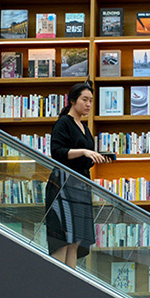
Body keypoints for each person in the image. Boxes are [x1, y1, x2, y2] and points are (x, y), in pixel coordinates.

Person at [45, 81, 110, 268]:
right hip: (63, 186)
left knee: (75, 240)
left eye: (91, 100)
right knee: (62, 238)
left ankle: (69, 285)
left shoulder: (84, 127)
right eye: (85, 99)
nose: (88, 104)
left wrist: (95, 157)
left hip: (80, 185)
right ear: (73, 100)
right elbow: (57, 152)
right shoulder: (64, 122)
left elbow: (82, 160)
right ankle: (57, 286)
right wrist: (83, 151)